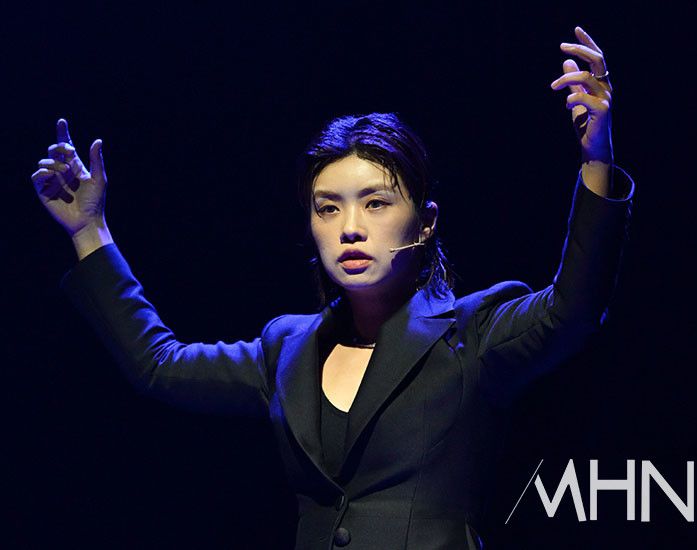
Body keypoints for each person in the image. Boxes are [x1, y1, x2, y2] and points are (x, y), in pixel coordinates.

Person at [31, 26, 633, 550]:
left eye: (376, 203)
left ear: (425, 222)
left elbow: (574, 309)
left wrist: (596, 157)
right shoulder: (285, 351)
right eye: (328, 208)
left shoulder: (470, 336)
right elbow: (159, 365)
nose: (350, 228)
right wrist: (89, 231)